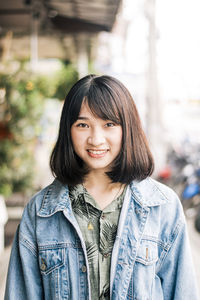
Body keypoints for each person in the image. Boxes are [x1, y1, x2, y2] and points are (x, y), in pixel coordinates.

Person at [5, 74, 199, 300]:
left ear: (127, 129)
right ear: (68, 130)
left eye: (109, 124)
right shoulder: (40, 212)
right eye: (83, 125)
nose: (96, 139)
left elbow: (182, 293)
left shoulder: (162, 206)